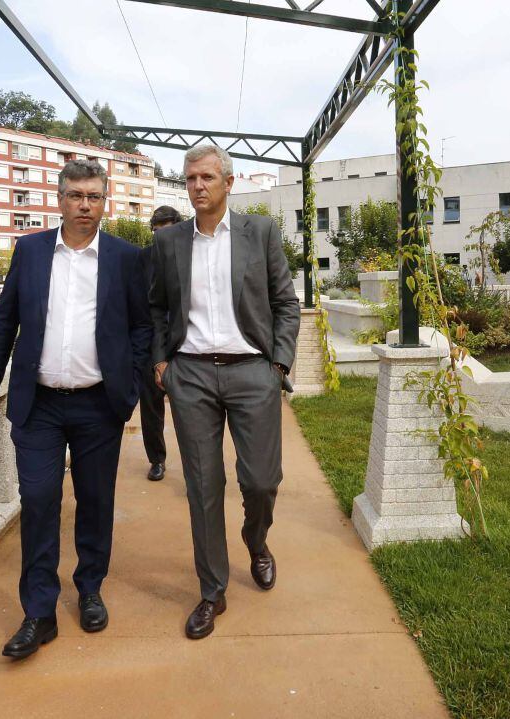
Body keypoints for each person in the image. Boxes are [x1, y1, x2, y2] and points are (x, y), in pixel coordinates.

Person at [0, 159, 152, 659]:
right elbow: (5, 317)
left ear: (105, 201)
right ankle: (39, 612)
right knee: (38, 501)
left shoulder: (124, 258)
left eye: (94, 197)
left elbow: (142, 327)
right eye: (76, 195)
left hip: (99, 405)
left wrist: (131, 386)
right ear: (59, 198)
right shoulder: (30, 251)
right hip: (40, 405)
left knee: (95, 501)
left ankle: (90, 587)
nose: (84, 205)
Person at [149, 145, 300, 640]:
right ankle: (212, 591)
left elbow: (285, 302)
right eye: (191, 178)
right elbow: (156, 307)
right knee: (202, 488)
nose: (198, 186)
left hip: (252, 371)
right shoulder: (170, 241)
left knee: (260, 481)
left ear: (229, 183)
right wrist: (161, 362)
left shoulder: (260, 233)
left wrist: (277, 363)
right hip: (191, 375)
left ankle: (256, 541)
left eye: (208, 177)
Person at [140, 205, 183, 481]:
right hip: (149, 343)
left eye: (166, 232)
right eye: (157, 233)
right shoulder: (141, 259)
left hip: (185, 345)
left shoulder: (191, 256)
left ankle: (198, 466)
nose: (162, 238)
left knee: (190, 410)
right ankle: (156, 460)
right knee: (151, 409)